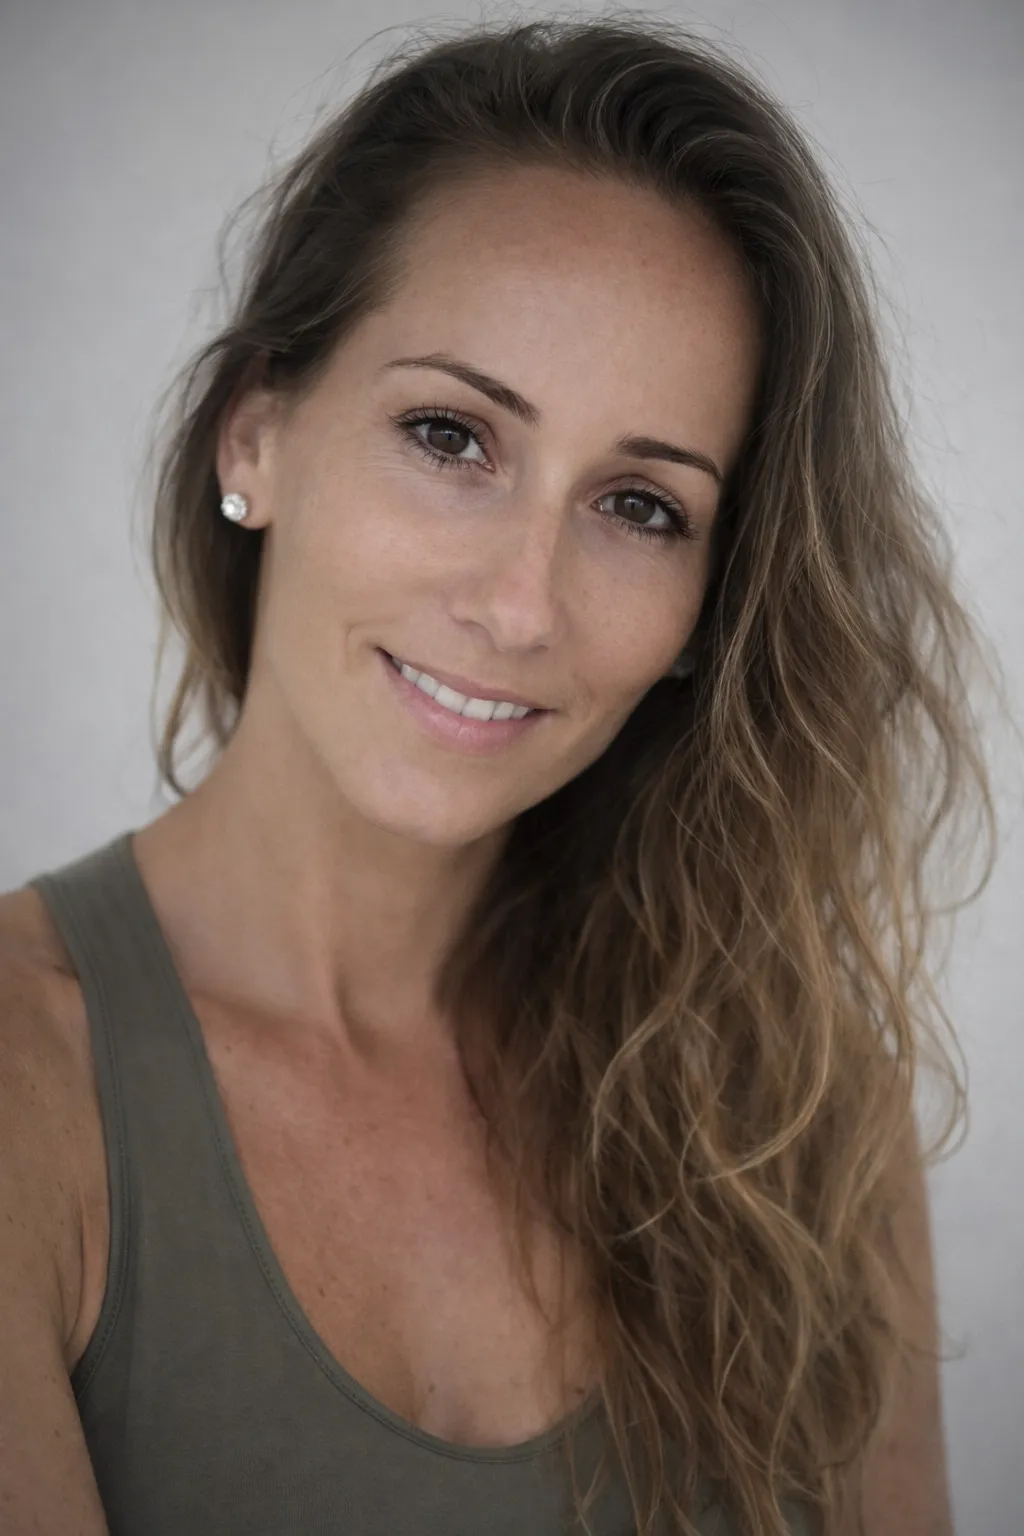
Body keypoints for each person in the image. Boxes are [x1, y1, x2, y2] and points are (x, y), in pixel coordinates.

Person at [0, 16, 999, 1536]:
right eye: (450, 434)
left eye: (641, 507)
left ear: (708, 608)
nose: (523, 606)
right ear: (255, 433)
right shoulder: (27, 1087)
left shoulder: (788, 1106)